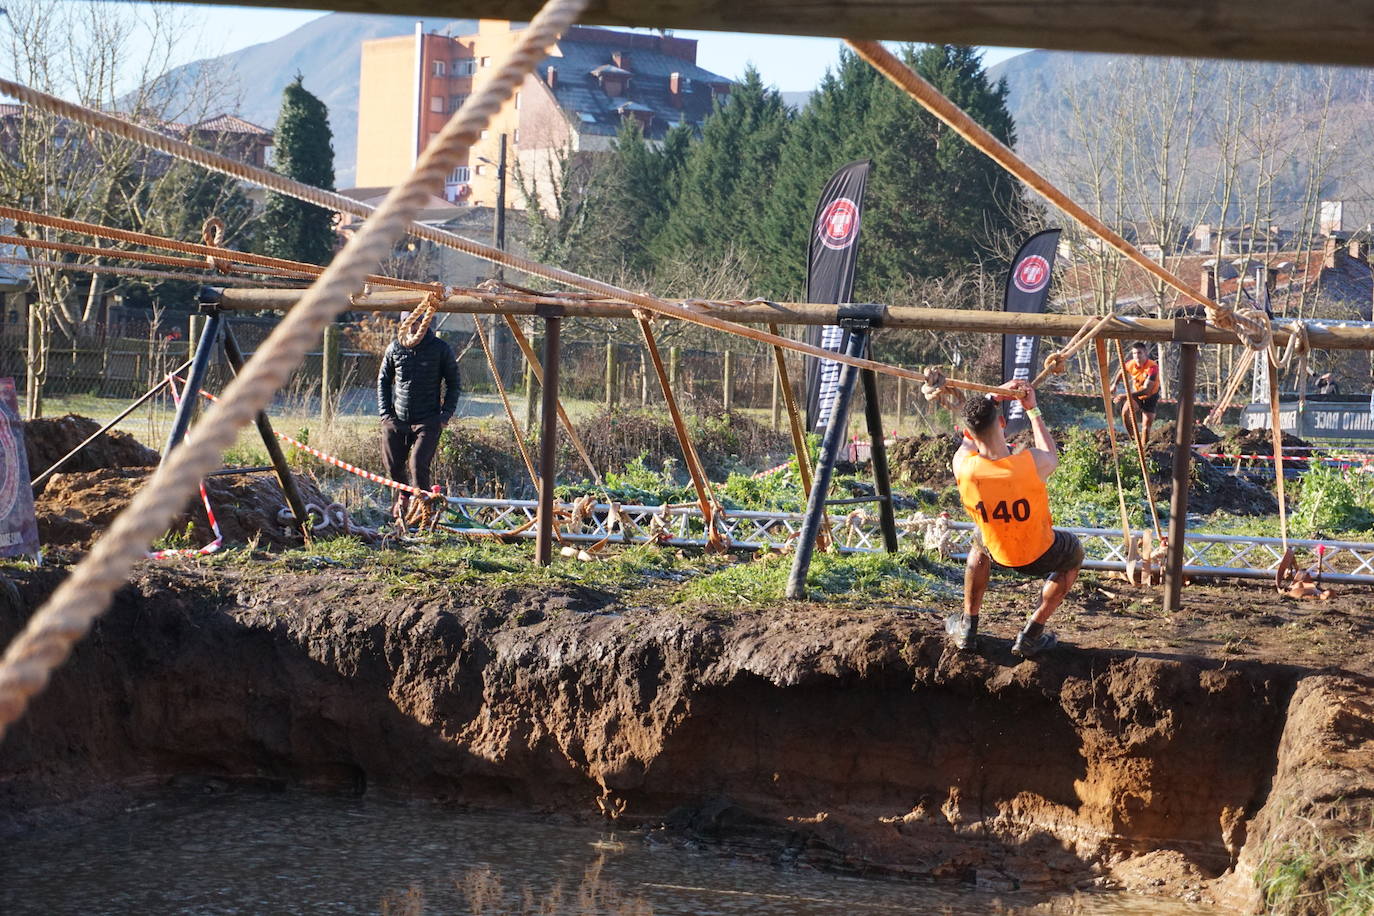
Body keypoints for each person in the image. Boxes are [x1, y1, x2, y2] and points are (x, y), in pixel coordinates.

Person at [944, 380, 1084, 658]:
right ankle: (1032, 633)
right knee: (1074, 552)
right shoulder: (1031, 463)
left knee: (977, 542)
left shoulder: (963, 467)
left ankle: (968, 626)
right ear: (1003, 423)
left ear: (969, 433)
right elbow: (1050, 453)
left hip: (996, 552)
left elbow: (967, 441)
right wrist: (1032, 410)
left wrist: (990, 397)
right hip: (1041, 553)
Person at [377, 318, 460, 518]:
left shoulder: (440, 348)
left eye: (419, 323)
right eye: (410, 323)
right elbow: (383, 380)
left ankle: (425, 513)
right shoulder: (395, 348)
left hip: (428, 419)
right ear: (403, 324)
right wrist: (385, 414)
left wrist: (445, 415)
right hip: (398, 417)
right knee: (393, 465)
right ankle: (404, 496)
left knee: (417, 464)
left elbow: (454, 383)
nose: (415, 328)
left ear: (426, 324)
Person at [1115, 341, 1161, 446]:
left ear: (1145, 353)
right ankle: (1134, 440)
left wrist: (1125, 396)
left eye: (1139, 353)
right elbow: (1122, 371)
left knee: (1146, 427)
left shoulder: (1152, 367)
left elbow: (1147, 389)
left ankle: (1144, 448)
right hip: (1136, 395)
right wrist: (1115, 385)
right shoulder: (1131, 364)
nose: (1137, 356)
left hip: (1150, 396)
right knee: (1125, 412)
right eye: (1134, 353)